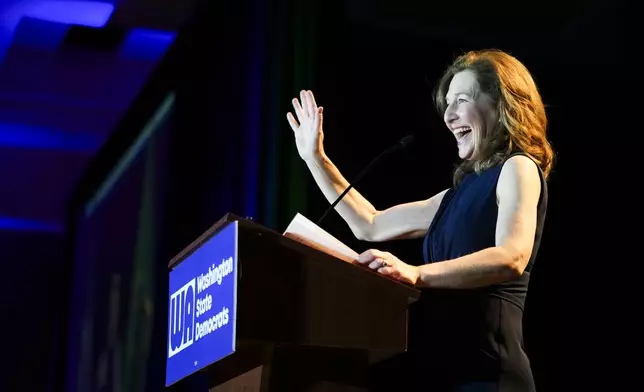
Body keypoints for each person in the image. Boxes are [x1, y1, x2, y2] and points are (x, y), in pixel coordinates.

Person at [286, 49, 554, 391]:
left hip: (492, 377)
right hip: (448, 374)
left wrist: (416, 273)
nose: (449, 116)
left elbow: (511, 256)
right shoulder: (453, 197)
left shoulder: (518, 168)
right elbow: (370, 223)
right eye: (448, 104)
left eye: (461, 100)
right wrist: (315, 158)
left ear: (501, 106)